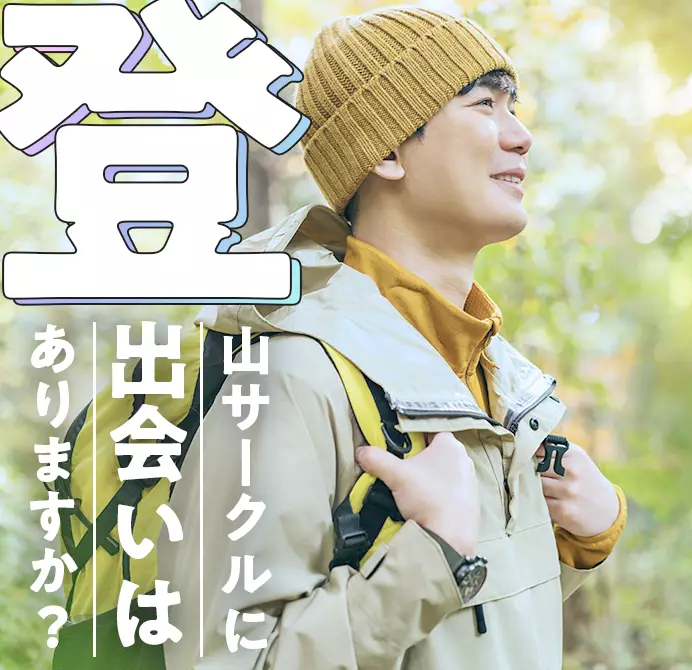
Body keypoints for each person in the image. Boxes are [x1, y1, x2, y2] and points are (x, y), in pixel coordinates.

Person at [158, 6, 627, 669]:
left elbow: (461, 631)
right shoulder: (292, 376)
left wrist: (576, 542)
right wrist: (432, 551)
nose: (520, 136)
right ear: (384, 150)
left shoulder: (492, 378)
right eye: (484, 105)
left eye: (514, 107)